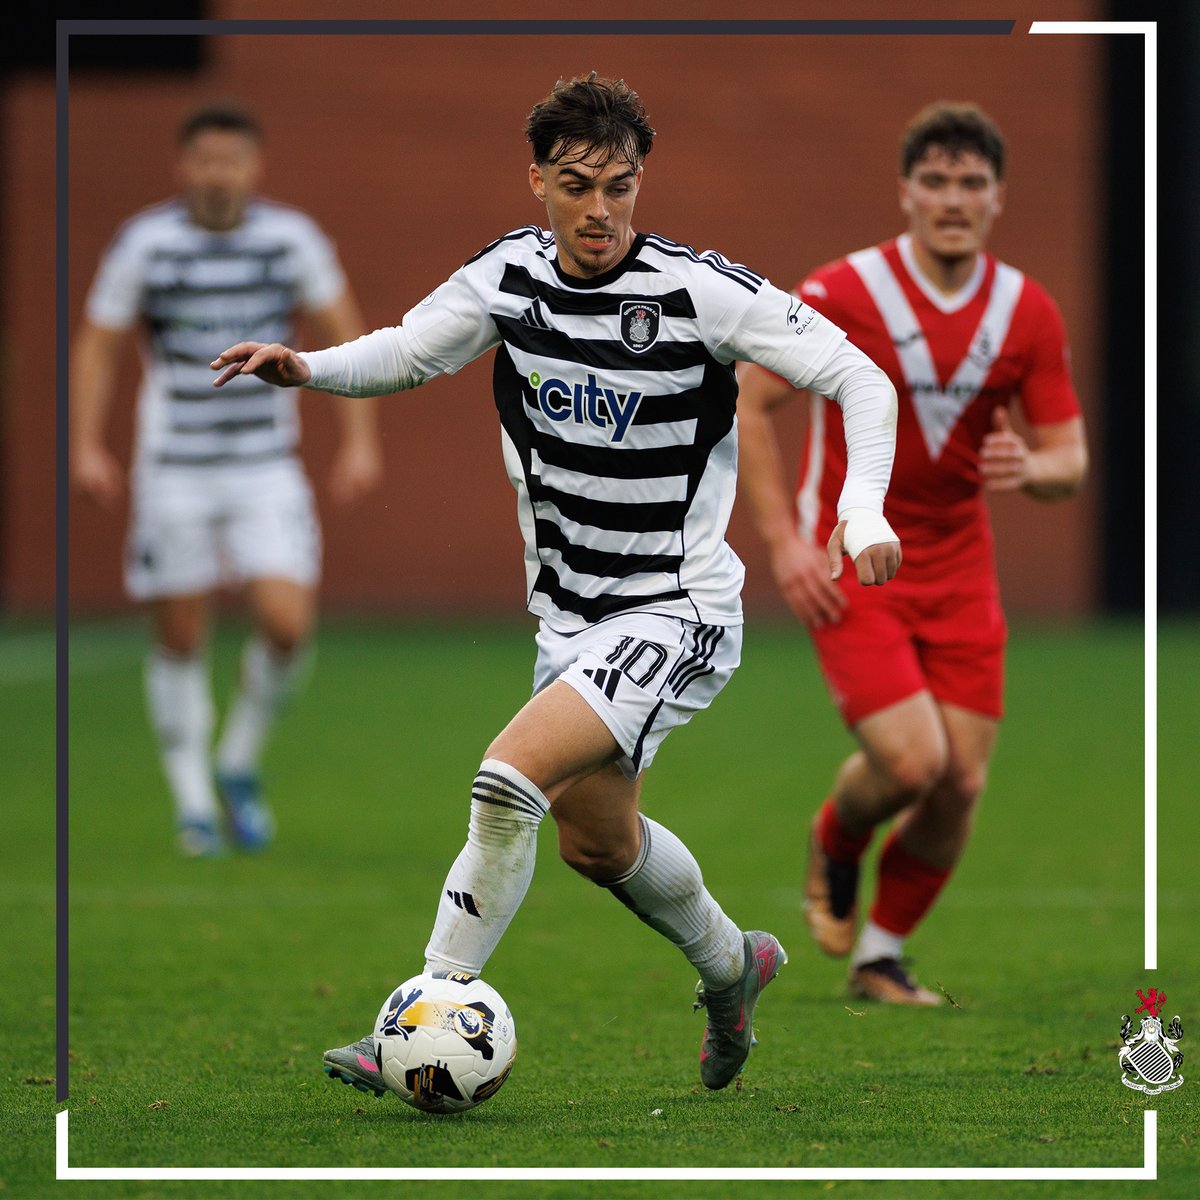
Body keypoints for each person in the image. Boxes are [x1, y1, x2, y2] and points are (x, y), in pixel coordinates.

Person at [212, 73, 901, 1091]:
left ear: (639, 186)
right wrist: (306, 368)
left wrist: (861, 508)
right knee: (597, 841)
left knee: (506, 777)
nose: (600, 209)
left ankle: (424, 1006)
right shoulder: (505, 279)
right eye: (578, 185)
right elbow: (408, 350)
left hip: (680, 608)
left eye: (620, 187)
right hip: (569, 619)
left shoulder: (695, 291)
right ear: (536, 179)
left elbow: (860, 377)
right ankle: (732, 967)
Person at [736, 102, 1087, 1006]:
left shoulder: (1027, 310)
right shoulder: (843, 291)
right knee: (911, 762)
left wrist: (1035, 465)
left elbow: (1070, 461)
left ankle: (879, 958)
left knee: (960, 783)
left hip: (963, 567)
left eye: (972, 182)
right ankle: (835, 838)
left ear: (998, 196)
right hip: (857, 557)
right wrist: (784, 544)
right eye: (936, 180)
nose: (954, 198)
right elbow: (747, 402)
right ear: (906, 192)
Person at [71, 101, 382, 857]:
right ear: (185, 166)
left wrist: (359, 440)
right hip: (173, 468)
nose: (218, 173)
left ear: (254, 166)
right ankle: (192, 807)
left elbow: (347, 332)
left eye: (231, 160)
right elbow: (99, 345)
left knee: (286, 625)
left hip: (263, 468)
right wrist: (85, 444)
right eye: (204, 160)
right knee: (179, 634)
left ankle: (236, 762)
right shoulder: (146, 242)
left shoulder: (290, 239)